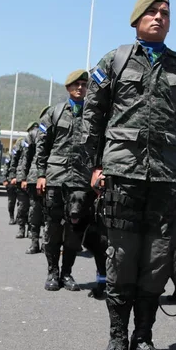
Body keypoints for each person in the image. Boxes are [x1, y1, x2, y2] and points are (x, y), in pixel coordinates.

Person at [81, 0, 176, 350]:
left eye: (165, 12)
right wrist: (93, 167)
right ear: (136, 20)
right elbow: (91, 117)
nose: (159, 17)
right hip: (122, 177)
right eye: (152, 12)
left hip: (166, 180)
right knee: (120, 259)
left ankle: (144, 340)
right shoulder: (114, 61)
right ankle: (118, 341)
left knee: (156, 262)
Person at [36, 70, 101, 292]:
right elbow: (42, 146)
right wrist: (41, 174)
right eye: (76, 84)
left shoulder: (94, 115)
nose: (81, 88)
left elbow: (99, 147)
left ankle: (67, 274)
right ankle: (52, 273)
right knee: (53, 229)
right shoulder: (53, 113)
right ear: (68, 88)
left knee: (75, 234)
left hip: (81, 182)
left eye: (84, 84)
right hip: (56, 179)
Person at [20, 118, 46, 254]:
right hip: (35, 177)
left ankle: (47, 244)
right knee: (35, 211)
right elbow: (27, 156)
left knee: (49, 213)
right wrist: (23, 177)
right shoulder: (33, 134)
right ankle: (35, 242)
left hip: (53, 175)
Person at [9, 137, 30, 239]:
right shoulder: (21, 143)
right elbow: (14, 160)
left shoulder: (35, 141)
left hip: (32, 178)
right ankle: (21, 228)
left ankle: (30, 229)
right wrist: (12, 176)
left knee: (33, 207)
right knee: (22, 206)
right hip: (20, 178)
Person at [3, 156, 17, 224]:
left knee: (22, 202)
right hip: (11, 181)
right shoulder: (11, 155)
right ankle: (11, 217)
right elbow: (6, 167)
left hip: (21, 180)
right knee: (11, 201)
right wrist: (4, 179)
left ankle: (19, 218)